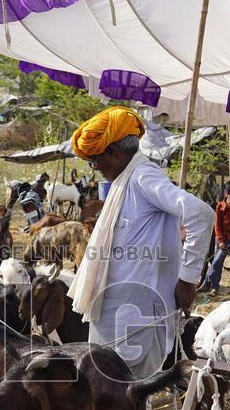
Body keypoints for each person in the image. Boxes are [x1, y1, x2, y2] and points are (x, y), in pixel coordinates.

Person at [69, 106, 214, 382]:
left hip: (135, 316)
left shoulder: (143, 177)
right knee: (109, 391)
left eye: (94, 160)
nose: (95, 168)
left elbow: (201, 214)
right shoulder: (125, 181)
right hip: (115, 310)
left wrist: (188, 279)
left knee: (125, 394)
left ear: (114, 152)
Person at [199, 180, 230, 296]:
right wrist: (220, 240)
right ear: (228, 193)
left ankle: (206, 283)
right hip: (220, 238)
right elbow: (217, 224)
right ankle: (214, 287)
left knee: (216, 262)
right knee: (216, 263)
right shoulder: (220, 205)